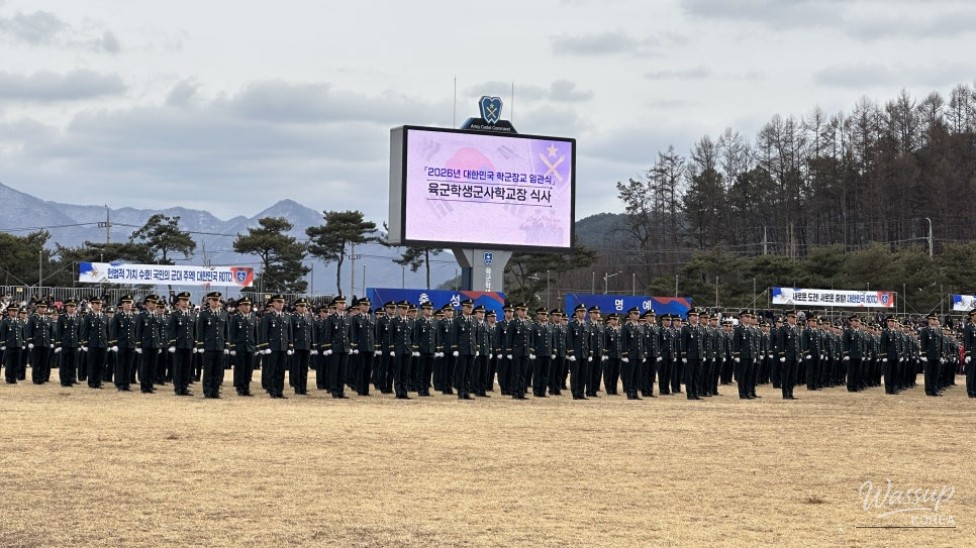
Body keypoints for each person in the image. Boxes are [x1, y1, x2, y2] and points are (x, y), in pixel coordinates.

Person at [257, 295, 292, 399]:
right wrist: (265, 346)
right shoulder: (268, 317)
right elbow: (264, 333)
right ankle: (272, 390)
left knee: (281, 370)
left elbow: (289, 333)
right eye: (278, 302)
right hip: (272, 347)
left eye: (282, 302)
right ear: (273, 303)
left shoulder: (286, 316)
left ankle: (280, 391)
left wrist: (290, 346)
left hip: (283, 347)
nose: (281, 304)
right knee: (271, 370)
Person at [196, 291, 229, 398]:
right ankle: (207, 391)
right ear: (209, 300)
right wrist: (200, 345)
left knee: (218, 371)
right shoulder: (204, 314)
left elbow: (226, 332)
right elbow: (200, 331)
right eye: (214, 300)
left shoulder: (223, 314)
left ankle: (215, 391)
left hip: (219, 346)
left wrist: (226, 345)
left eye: (218, 300)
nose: (216, 302)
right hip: (208, 346)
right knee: (208, 370)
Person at [322, 296, 352, 399]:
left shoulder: (348, 317)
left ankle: (341, 390)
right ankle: (334, 390)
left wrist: (351, 346)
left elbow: (350, 334)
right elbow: (328, 334)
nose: (343, 305)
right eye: (340, 303)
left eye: (344, 303)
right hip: (335, 348)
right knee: (334, 370)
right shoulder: (331, 318)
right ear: (336, 305)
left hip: (345, 347)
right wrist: (328, 347)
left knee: (343, 371)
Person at [167, 292, 196, 396]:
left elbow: (194, 331)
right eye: (183, 300)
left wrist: (195, 345)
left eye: (187, 300)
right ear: (178, 302)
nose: (185, 302)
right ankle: (178, 388)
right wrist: (172, 344)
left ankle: (184, 387)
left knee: (187, 367)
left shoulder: (192, 314)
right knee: (178, 367)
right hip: (178, 345)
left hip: (188, 345)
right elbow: (171, 331)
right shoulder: (175, 315)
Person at [135, 295, 161, 394]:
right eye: (152, 302)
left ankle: (150, 385)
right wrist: (138, 345)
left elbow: (158, 331)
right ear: (147, 303)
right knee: (145, 366)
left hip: (154, 344)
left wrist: (159, 344)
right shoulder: (142, 315)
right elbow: (138, 331)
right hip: (145, 344)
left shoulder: (157, 315)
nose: (155, 304)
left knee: (153, 366)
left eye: (155, 303)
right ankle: (144, 386)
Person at [82, 297, 110, 389]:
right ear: (92, 305)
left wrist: (109, 343)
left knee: (101, 364)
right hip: (92, 344)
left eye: (100, 304)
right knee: (92, 364)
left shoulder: (105, 317)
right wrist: (85, 343)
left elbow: (107, 331)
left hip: (103, 344)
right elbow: (85, 331)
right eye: (97, 303)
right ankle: (91, 382)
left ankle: (98, 381)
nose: (99, 305)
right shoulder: (88, 317)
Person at [289, 298, 315, 396]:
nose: (303, 308)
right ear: (297, 307)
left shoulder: (308, 318)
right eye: (301, 306)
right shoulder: (293, 318)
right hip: (297, 346)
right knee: (297, 368)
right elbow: (291, 332)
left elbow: (311, 333)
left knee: (304, 368)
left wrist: (312, 346)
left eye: (305, 306)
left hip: (306, 346)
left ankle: (303, 388)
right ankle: (297, 388)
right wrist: (291, 346)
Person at [26, 302, 55, 384]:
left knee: (44, 362)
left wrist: (52, 341)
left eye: (44, 307)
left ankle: (42, 378)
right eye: (41, 307)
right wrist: (30, 341)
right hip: (36, 343)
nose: (43, 309)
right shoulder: (33, 318)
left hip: (46, 343)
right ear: (37, 308)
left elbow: (51, 331)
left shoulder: (48, 319)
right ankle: (36, 378)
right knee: (36, 362)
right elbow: (29, 331)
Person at [565, 303, 589, 400]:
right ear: (577, 313)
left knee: (583, 374)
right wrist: (571, 353)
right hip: (576, 354)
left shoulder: (586, 325)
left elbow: (589, 340)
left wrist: (590, 353)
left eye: (584, 312)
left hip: (584, 354)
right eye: (581, 312)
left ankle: (581, 393)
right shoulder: (571, 325)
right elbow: (569, 339)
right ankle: (575, 393)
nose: (583, 314)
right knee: (575, 374)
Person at [1, 304, 25, 384]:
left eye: (16, 311)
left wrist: (23, 343)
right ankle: (8, 378)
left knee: (16, 362)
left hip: (18, 345)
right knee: (9, 362)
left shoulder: (20, 321)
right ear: (9, 311)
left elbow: (22, 333)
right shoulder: (5, 321)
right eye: (13, 311)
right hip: (9, 345)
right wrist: (3, 344)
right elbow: (3, 334)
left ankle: (14, 378)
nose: (15, 312)